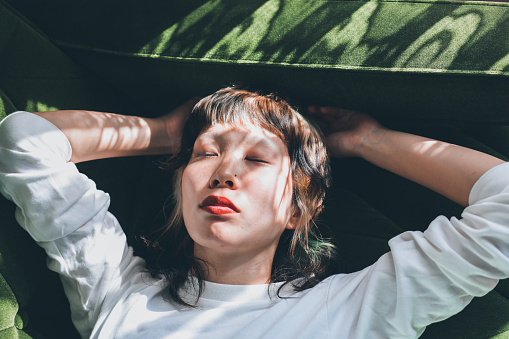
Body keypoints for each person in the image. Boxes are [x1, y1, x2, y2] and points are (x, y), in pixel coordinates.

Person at [0, 86, 507, 339]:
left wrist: (371, 141)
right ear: (180, 189)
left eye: (258, 159)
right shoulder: (117, 289)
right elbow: (22, 142)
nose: (225, 172)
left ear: (297, 210)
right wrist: (164, 133)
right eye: (205, 155)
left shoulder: (358, 309)